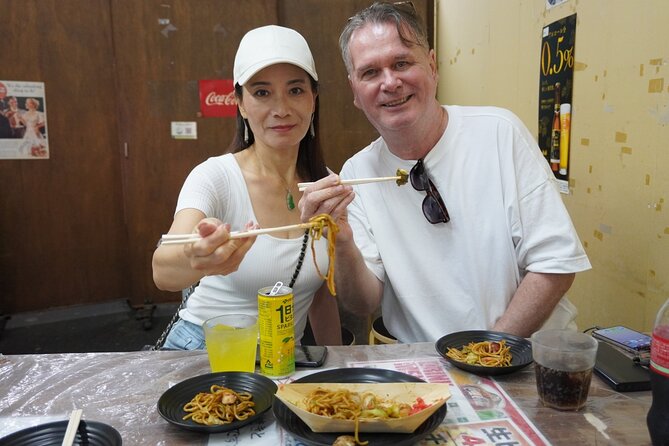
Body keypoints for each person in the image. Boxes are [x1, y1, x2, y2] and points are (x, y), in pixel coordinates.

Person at [298, 2, 591, 343]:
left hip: (523, 360)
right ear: (355, 92)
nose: (390, 82)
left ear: (433, 67)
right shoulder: (358, 172)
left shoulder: (499, 134)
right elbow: (363, 302)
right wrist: (343, 241)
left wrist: (487, 354)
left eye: (402, 63)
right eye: (370, 72)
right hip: (425, 371)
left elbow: (555, 265)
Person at [152, 25, 342, 349]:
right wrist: (196, 256)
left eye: (295, 90)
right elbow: (162, 269)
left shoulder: (325, 185)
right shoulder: (215, 177)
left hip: (282, 361)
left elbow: (320, 294)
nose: (281, 109)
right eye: (262, 92)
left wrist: (339, 367)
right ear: (240, 103)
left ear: (314, 98)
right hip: (203, 349)